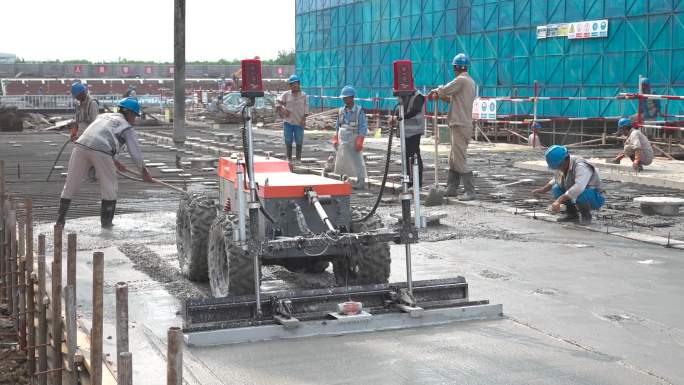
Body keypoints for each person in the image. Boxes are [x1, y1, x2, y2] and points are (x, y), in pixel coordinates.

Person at [56, 98, 153, 229]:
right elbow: (134, 150)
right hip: (102, 151)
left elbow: (100, 136)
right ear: (129, 113)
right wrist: (143, 171)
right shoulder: (126, 127)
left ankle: (60, 221)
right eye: (134, 116)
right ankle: (106, 224)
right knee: (109, 188)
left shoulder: (103, 116)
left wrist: (114, 161)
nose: (134, 120)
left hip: (81, 146)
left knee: (70, 185)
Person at [428, 53, 477, 200]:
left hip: (460, 124)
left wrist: (436, 91)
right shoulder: (469, 81)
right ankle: (452, 187)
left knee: (459, 158)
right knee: (453, 159)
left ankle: (470, 191)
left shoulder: (461, 80)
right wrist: (441, 95)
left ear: (455, 67)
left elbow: (445, 90)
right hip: (462, 124)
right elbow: (452, 99)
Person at [533, 145, 605, 223]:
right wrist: (544, 189)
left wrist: (559, 200)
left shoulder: (581, 165)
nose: (557, 169)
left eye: (558, 166)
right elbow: (556, 179)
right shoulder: (562, 165)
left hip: (595, 197)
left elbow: (579, 187)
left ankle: (586, 216)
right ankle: (572, 215)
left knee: (581, 193)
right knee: (556, 188)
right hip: (578, 195)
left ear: (565, 160)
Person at [332, 85, 368, 189]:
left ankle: (360, 182)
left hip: (353, 137)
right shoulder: (341, 110)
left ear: (352, 97)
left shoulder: (359, 111)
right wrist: (335, 138)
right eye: (343, 97)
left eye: (346, 97)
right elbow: (337, 126)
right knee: (342, 159)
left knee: (357, 160)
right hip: (343, 137)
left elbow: (363, 127)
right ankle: (344, 181)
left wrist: (360, 140)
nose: (344, 99)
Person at [391, 89, 426, 187]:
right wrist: (395, 117)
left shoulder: (418, 97)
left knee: (414, 156)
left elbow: (414, 111)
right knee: (406, 156)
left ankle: (417, 181)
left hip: (414, 131)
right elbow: (400, 109)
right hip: (405, 132)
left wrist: (400, 117)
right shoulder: (404, 96)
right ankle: (409, 180)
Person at [276, 74, 308, 165]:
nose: (295, 86)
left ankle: (298, 159)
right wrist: (281, 109)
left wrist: (304, 119)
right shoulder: (286, 95)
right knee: (288, 140)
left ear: (299, 84)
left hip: (299, 122)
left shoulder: (304, 96)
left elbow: (306, 108)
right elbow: (277, 101)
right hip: (288, 122)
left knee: (299, 140)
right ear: (290, 86)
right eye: (292, 84)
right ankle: (289, 158)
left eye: (296, 83)